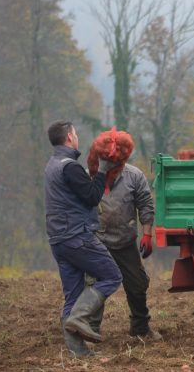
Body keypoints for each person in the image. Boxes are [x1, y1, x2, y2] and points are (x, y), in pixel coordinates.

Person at [44, 120, 123, 357]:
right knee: (112, 276)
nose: (77, 137)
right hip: (76, 236)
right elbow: (91, 197)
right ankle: (80, 317)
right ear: (69, 137)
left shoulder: (52, 165)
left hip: (58, 240)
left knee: (73, 294)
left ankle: (78, 352)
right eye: (75, 133)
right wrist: (102, 170)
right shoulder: (70, 166)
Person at [95, 162, 163, 340]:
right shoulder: (90, 175)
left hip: (125, 241)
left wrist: (147, 235)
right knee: (93, 285)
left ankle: (140, 328)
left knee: (137, 285)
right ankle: (90, 329)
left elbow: (146, 205)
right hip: (98, 242)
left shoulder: (134, 175)